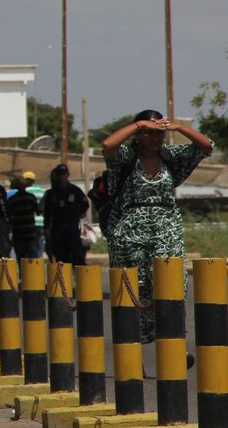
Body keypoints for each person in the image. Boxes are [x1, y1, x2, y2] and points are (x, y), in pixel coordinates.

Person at [102, 109, 212, 344]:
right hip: (130, 232)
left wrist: (178, 128)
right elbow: (108, 145)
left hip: (166, 228)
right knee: (134, 289)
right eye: (149, 133)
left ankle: (174, 343)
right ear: (139, 134)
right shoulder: (125, 157)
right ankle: (130, 352)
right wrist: (138, 124)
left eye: (159, 134)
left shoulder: (170, 156)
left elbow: (206, 146)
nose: (155, 138)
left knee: (171, 284)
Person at [42, 163, 89, 266]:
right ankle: (63, 277)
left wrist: (76, 213)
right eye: (59, 174)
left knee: (76, 251)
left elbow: (85, 204)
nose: (62, 177)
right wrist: (46, 228)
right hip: (57, 226)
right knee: (60, 253)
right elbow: (47, 212)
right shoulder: (51, 193)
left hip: (71, 225)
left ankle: (81, 275)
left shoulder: (75, 190)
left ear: (68, 174)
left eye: (64, 174)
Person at [6, 176, 39, 260]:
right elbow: (37, 211)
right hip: (31, 232)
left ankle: (23, 273)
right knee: (33, 257)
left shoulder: (12, 200)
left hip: (18, 233)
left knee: (21, 258)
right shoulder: (31, 197)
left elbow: (9, 216)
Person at [22, 171, 46, 257]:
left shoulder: (26, 191)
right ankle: (38, 263)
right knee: (40, 243)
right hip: (41, 222)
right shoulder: (43, 191)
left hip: (30, 223)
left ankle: (30, 265)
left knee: (31, 246)